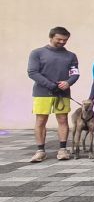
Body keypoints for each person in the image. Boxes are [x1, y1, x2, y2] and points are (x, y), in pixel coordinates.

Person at [27, 26, 81, 162]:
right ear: (51, 37)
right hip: (42, 93)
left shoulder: (71, 56)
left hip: (63, 94)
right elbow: (32, 72)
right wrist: (51, 85)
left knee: (62, 120)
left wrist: (68, 83)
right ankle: (40, 151)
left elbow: (75, 73)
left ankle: (63, 149)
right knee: (40, 121)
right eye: (59, 39)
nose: (62, 42)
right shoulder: (37, 53)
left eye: (65, 40)